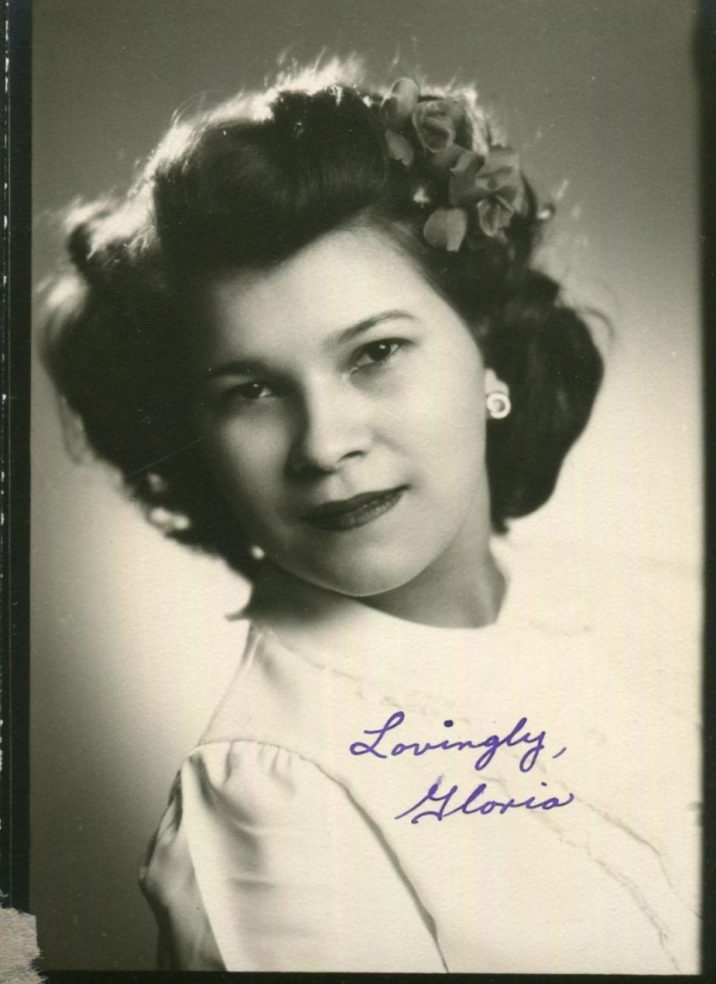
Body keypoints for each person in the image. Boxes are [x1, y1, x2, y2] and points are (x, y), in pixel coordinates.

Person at [39, 61, 700, 973]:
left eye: (375, 352)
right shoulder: (271, 792)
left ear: (488, 352)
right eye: (253, 390)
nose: (323, 442)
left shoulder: (656, 604)